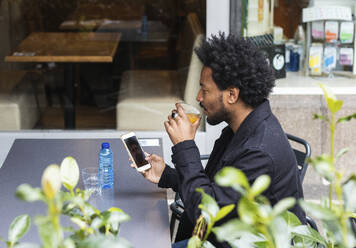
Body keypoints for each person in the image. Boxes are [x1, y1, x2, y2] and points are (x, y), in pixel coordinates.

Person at [130, 33, 306, 247]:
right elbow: (216, 193)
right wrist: (167, 175)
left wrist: (185, 146)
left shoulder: (258, 151)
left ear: (232, 95)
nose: (198, 97)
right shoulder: (240, 129)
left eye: (205, 90)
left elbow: (206, 212)